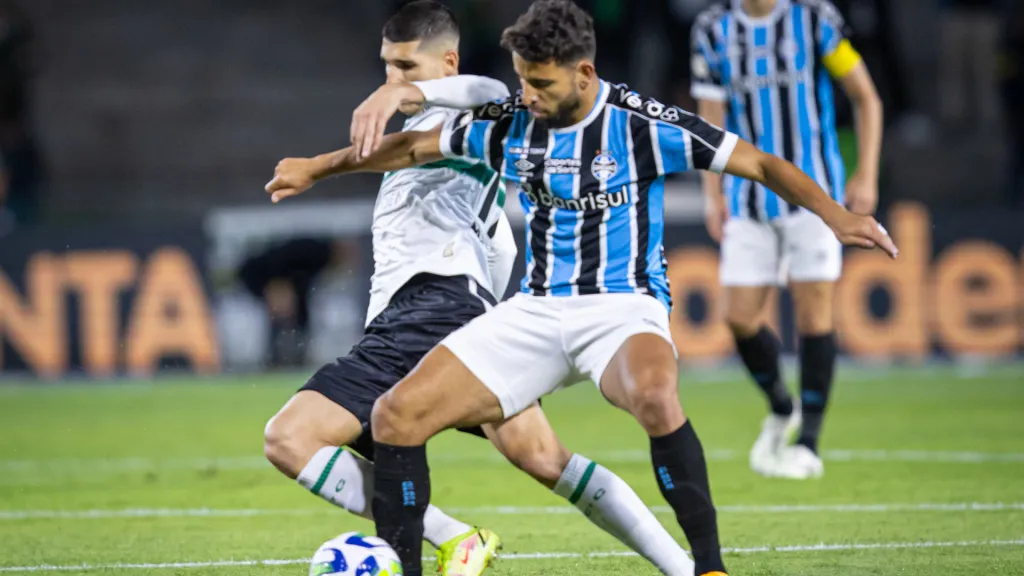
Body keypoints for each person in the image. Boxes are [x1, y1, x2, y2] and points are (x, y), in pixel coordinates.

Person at [266, 1, 897, 574]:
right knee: (396, 415)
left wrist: (836, 215)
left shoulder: (642, 125)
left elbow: (759, 162)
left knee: (653, 394)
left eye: (540, 83)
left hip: (622, 305)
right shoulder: (511, 124)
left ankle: (706, 569)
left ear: (584, 75)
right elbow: (408, 151)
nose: (527, 96)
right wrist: (316, 168)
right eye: (522, 80)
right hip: (536, 309)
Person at [264, 3, 700, 576]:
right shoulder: (442, 142)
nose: (391, 79)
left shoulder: (477, 108)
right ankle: (687, 568)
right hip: (451, 312)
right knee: (543, 457)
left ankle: (449, 539)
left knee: (290, 438)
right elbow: (501, 251)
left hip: (427, 308)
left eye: (405, 66)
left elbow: (483, 85)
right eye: (386, 67)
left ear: (446, 62)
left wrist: (404, 95)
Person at [691, 0, 884, 479]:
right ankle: (782, 405)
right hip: (747, 198)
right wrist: (711, 193)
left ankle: (810, 443)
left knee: (815, 314)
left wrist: (867, 172)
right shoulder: (713, 29)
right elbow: (710, 121)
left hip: (815, 195)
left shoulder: (814, 19)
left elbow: (865, 96)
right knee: (736, 317)